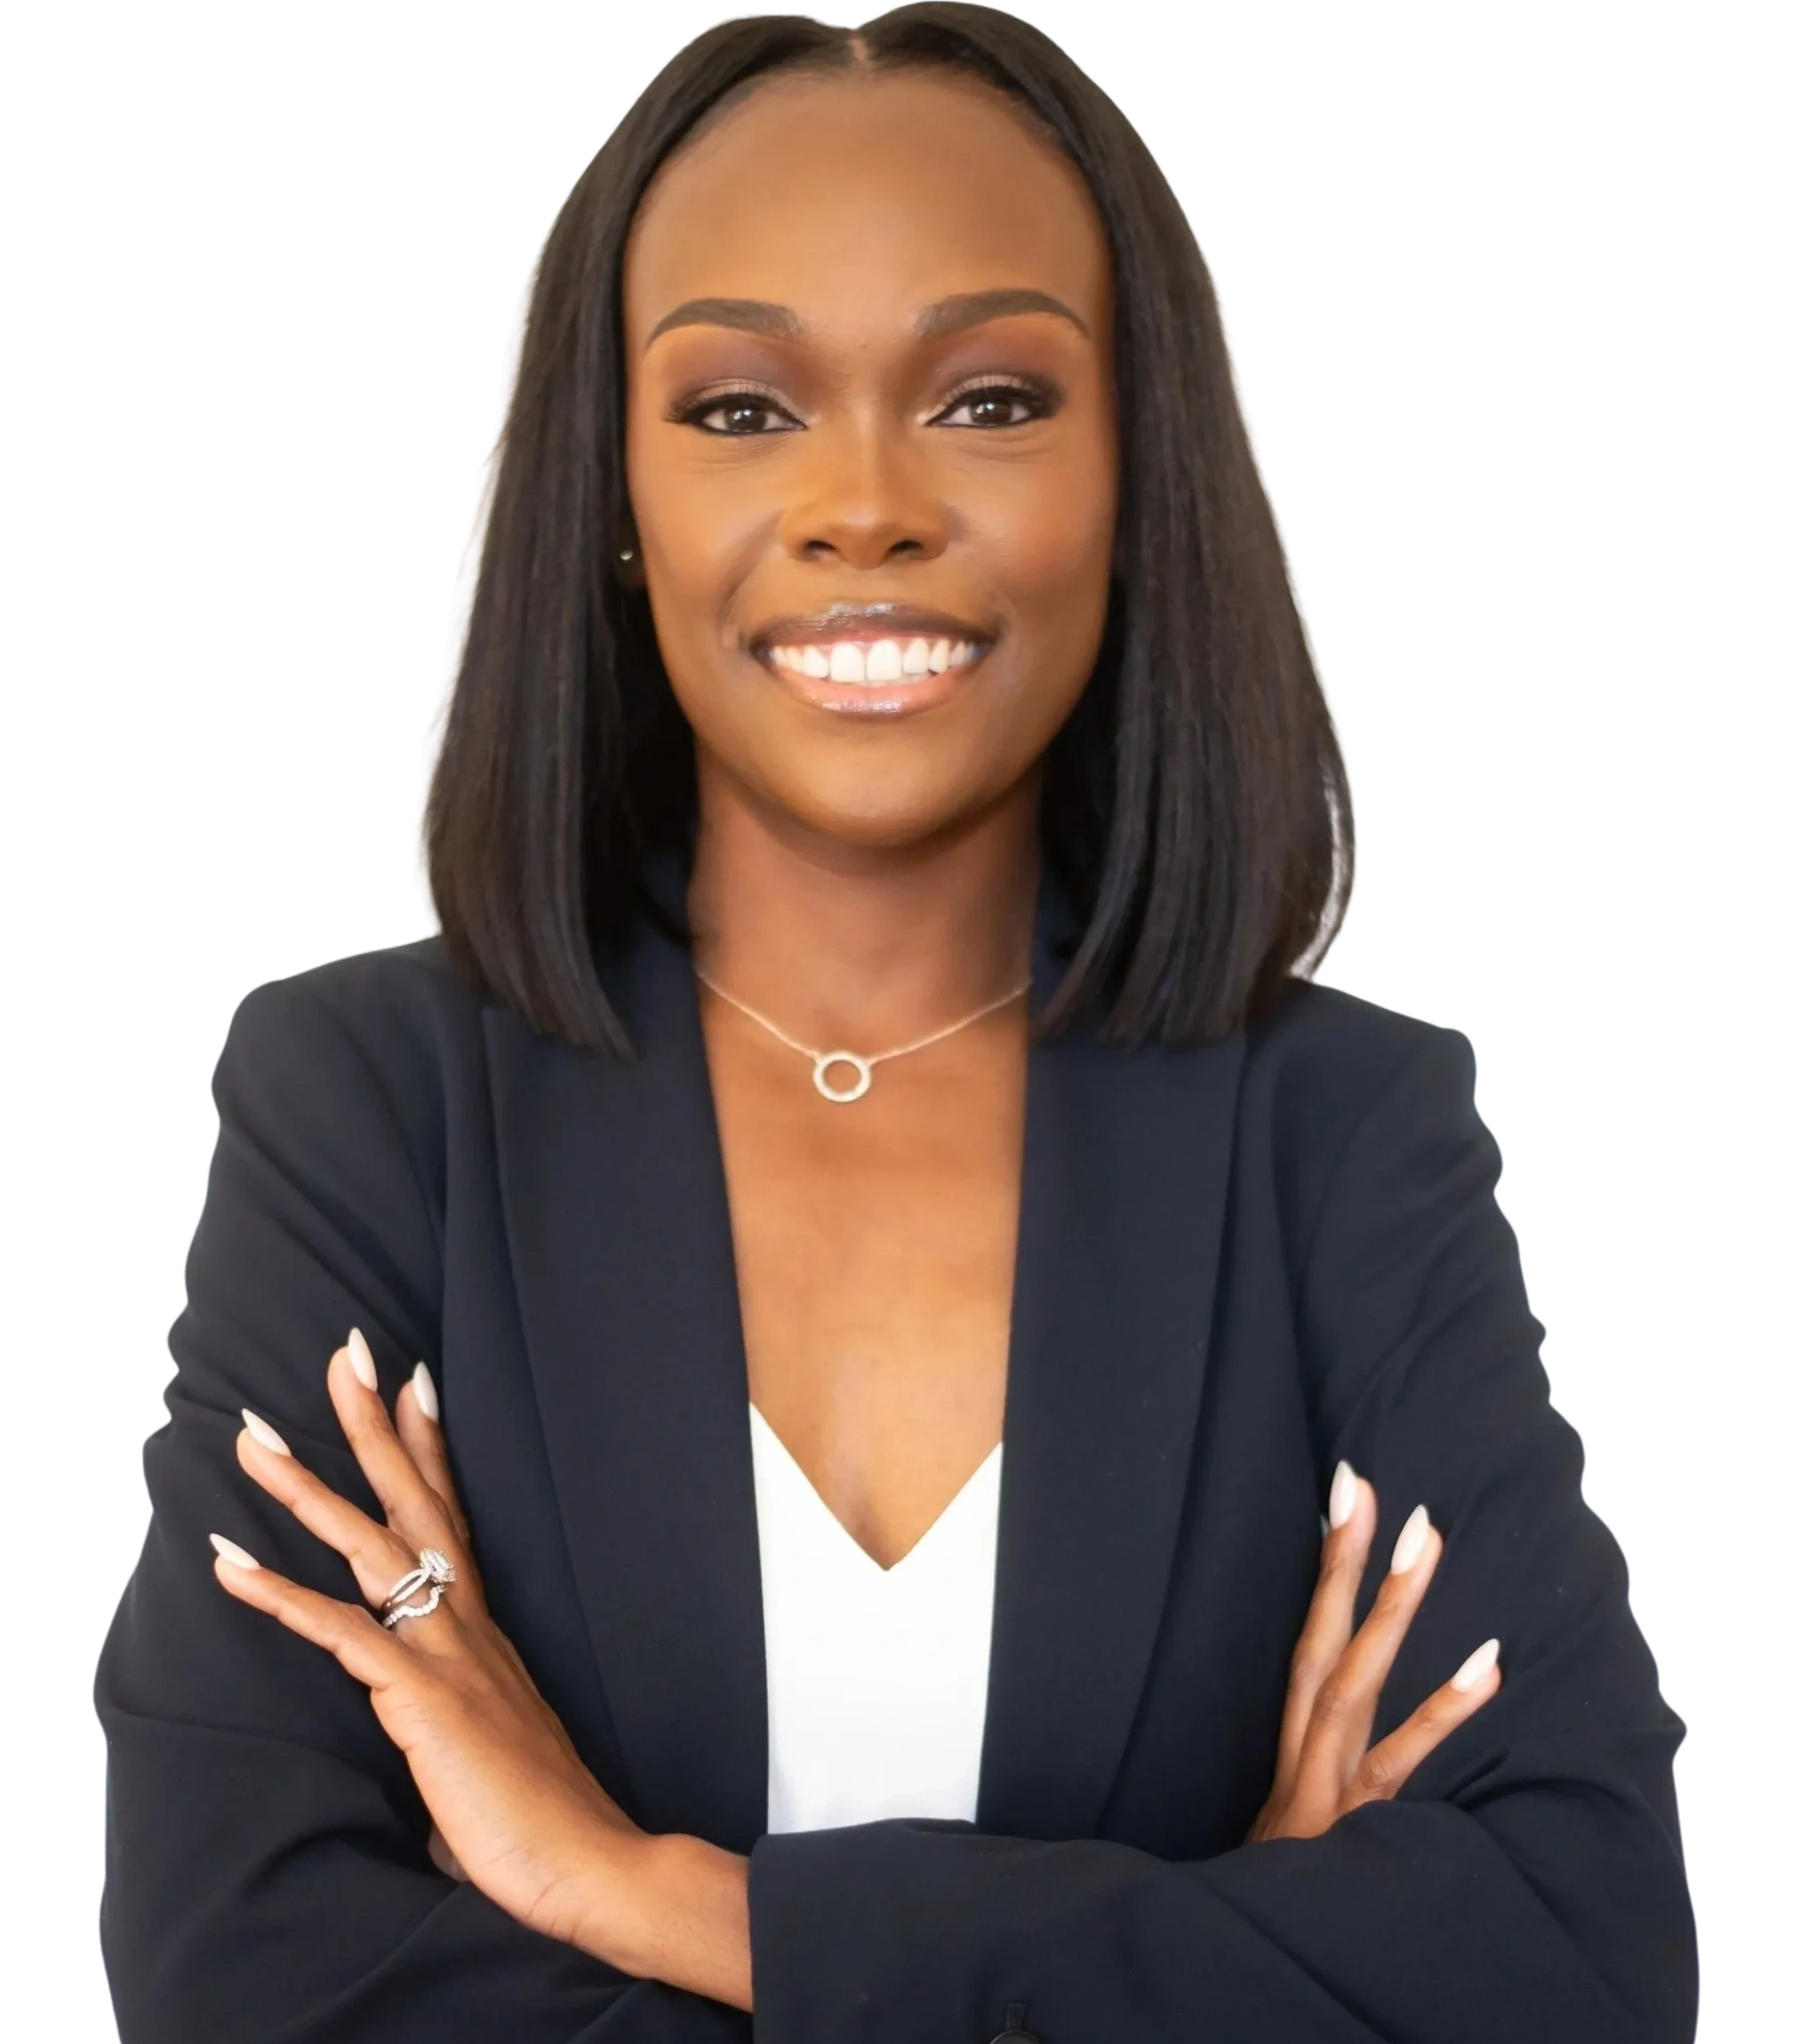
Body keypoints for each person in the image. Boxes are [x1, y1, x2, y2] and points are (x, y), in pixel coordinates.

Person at [93, 9, 1699, 2038]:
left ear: (1135, 477)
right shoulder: (370, 1106)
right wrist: (1210, 1949)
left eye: (991, 397)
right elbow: (240, 1972)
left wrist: (655, 1896)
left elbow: (1575, 1954)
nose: (863, 505)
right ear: (616, 492)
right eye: (741, 407)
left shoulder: (1342, 1130)